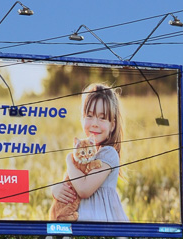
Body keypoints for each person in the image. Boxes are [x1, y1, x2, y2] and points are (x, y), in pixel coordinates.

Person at [49, 83, 129, 223]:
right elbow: (70, 184)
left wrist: (69, 160)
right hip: (81, 223)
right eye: (90, 115)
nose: (95, 123)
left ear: (113, 125)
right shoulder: (84, 155)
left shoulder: (108, 154)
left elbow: (84, 189)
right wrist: (55, 189)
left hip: (103, 226)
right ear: (82, 118)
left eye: (102, 118)